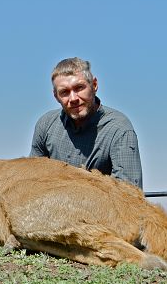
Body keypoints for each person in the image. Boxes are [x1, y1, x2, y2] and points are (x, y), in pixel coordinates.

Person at [30, 57, 143, 188]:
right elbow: (32, 179)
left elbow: (128, 194)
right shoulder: (46, 124)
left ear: (94, 85)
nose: (73, 99)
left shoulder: (119, 129)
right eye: (64, 92)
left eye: (79, 88)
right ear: (56, 96)